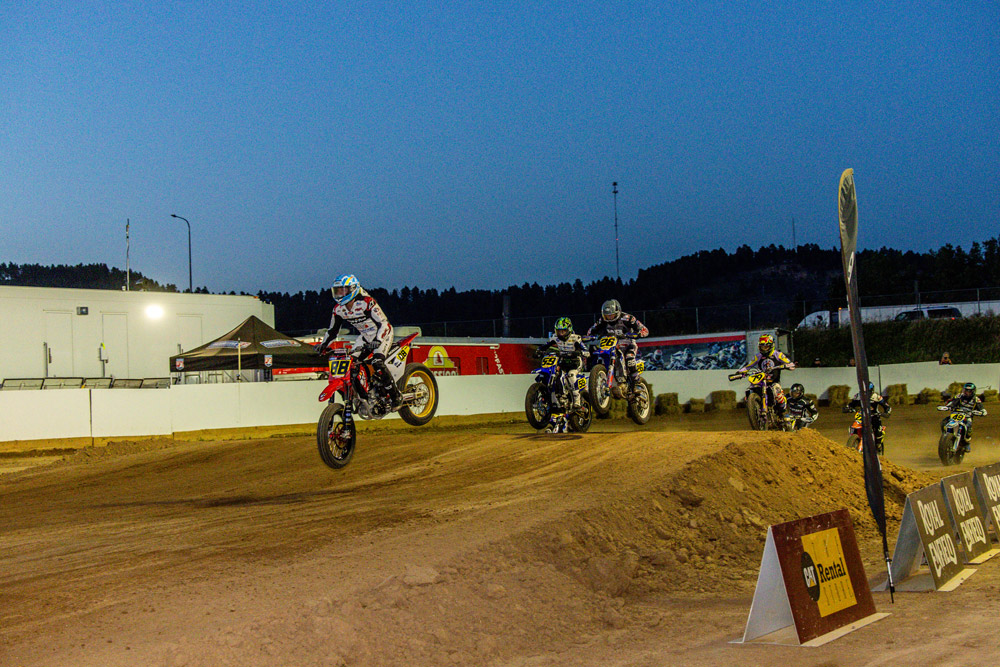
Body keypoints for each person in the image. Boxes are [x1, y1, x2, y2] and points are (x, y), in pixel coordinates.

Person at [316, 274, 400, 404]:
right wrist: (323, 345)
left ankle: (396, 396)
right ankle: (364, 398)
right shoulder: (338, 309)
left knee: (377, 362)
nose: (338, 294)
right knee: (351, 365)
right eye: (336, 291)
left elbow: (383, 323)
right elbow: (332, 331)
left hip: (382, 334)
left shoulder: (367, 302)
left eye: (342, 290)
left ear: (352, 289)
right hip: (365, 337)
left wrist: (378, 341)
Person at [586, 299, 649, 385]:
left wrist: (638, 334)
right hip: (610, 344)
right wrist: (591, 336)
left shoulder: (628, 318)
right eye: (607, 316)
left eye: (612, 315)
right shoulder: (602, 321)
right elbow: (591, 330)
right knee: (597, 355)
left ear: (618, 312)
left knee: (629, 358)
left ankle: (636, 382)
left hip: (628, 344)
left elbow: (644, 329)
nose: (610, 317)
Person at [735, 333, 796, 418]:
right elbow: (748, 366)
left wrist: (787, 365)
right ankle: (754, 407)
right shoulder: (758, 356)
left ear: (771, 346)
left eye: (766, 347)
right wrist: (740, 372)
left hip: (773, 381)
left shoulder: (778, 355)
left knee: (777, 392)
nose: (764, 349)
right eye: (762, 347)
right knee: (750, 389)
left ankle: (783, 411)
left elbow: (790, 364)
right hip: (761, 381)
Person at [538, 317, 589, 415]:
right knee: (557, 374)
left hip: (575, 362)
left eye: (563, 331)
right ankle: (561, 396)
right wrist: (539, 350)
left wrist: (581, 352)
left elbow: (585, 349)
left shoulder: (575, 338)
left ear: (569, 330)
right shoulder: (554, 338)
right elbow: (546, 345)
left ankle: (577, 401)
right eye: (559, 331)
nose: (561, 333)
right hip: (562, 361)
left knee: (571, 375)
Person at [939, 382, 987, 451]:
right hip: (956, 414)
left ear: (973, 391)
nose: (967, 393)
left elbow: (981, 408)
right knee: (943, 422)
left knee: (968, 427)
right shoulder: (959, 396)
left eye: (969, 391)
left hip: (967, 416)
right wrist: (947, 407)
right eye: (966, 390)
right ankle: (945, 438)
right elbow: (952, 403)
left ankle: (967, 443)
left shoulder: (976, 399)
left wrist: (982, 412)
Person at [845, 382, 891, 452]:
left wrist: (886, 413)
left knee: (878, 428)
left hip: (874, 416)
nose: (865, 394)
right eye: (863, 391)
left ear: (871, 390)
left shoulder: (876, 397)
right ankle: (854, 439)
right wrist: (848, 408)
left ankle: (878, 445)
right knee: (854, 426)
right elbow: (851, 404)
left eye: (867, 392)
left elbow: (887, 406)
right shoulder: (858, 396)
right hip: (862, 415)